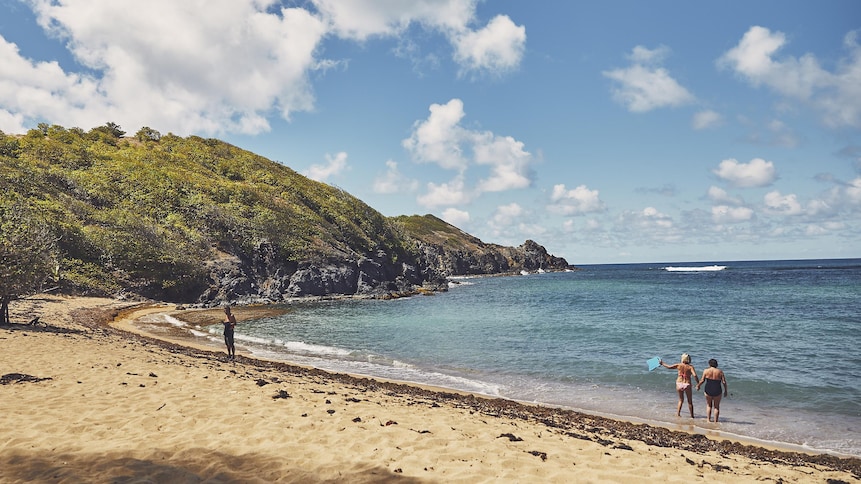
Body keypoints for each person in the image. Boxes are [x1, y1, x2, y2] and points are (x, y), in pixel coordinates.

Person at [659, 353, 699, 418]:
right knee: (690, 401)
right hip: (687, 383)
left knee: (681, 400)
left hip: (679, 383)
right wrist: (698, 383)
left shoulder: (678, 365)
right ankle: (692, 416)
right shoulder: (690, 367)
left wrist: (662, 363)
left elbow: (669, 367)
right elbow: (695, 375)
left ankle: (678, 414)